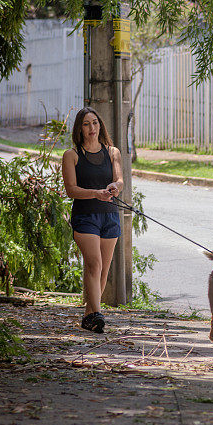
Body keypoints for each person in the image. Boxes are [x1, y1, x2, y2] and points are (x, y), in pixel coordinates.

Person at [62, 108, 124, 332]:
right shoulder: (72, 155)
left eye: (95, 123)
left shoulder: (112, 152)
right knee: (93, 264)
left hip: (109, 216)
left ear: (101, 126)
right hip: (85, 216)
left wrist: (114, 188)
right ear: (80, 128)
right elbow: (71, 190)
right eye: (86, 124)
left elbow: (119, 180)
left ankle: (89, 317)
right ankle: (97, 315)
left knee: (103, 270)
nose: (92, 128)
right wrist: (95, 193)